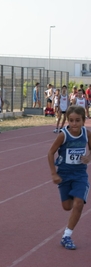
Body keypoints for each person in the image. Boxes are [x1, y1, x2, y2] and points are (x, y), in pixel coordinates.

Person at [47, 105, 91, 250]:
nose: (74, 124)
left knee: (78, 204)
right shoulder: (63, 135)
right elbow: (50, 153)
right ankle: (74, 195)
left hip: (80, 174)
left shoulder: (87, 133)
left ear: (83, 121)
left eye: (77, 120)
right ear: (67, 121)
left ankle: (67, 236)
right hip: (64, 174)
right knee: (67, 207)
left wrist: (88, 157)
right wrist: (54, 173)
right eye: (71, 120)